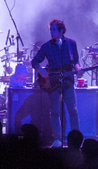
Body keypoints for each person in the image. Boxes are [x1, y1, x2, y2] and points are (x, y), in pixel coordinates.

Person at [31, 19, 81, 147]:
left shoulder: (71, 44)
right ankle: (57, 139)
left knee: (73, 110)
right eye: (51, 30)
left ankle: (75, 139)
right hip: (53, 83)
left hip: (68, 81)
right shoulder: (47, 46)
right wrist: (41, 70)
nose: (52, 32)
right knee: (54, 112)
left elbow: (75, 61)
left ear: (61, 30)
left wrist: (78, 68)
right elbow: (35, 61)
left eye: (54, 30)